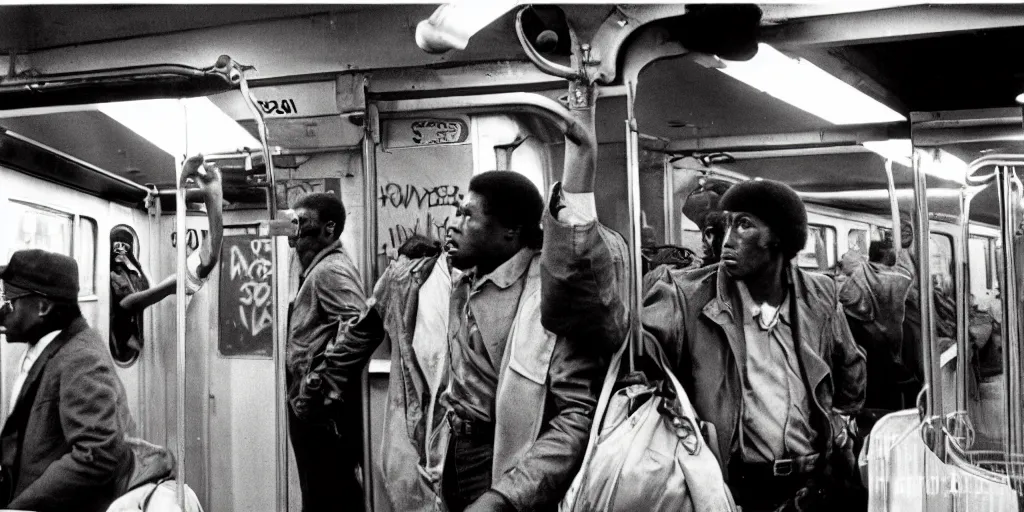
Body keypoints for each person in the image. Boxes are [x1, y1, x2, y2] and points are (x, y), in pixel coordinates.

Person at [293, 97, 622, 510]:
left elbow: (575, 417)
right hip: (450, 450)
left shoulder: (547, 300)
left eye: (468, 216)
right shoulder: (451, 282)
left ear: (509, 233)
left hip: (504, 458)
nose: (453, 223)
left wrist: (506, 497)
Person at [0, 249, 137, 512]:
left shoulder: (81, 358)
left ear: (43, 307)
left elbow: (98, 454)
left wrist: (19, 508)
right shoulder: (49, 347)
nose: (2, 309)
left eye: (9, 299)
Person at [286, 191, 367, 512]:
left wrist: (317, 386)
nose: (295, 230)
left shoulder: (330, 271)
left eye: (302, 222)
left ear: (329, 229)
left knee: (328, 497)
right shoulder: (316, 269)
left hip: (321, 414)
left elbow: (359, 329)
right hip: (312, 410)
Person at [110, 154, 224, 363]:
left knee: (206, 263)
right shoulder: (125, 309)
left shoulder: (130, 288)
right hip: (166, 294)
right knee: (206, 263)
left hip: (168, 292)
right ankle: (212, 189)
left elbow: (139, 298)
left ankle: (211, 189)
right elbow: (135, 304)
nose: (118, 279)